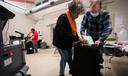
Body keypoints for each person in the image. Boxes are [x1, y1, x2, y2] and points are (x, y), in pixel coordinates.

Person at [53, 1, 84, 76]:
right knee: (65, 58)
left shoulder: (72, 20)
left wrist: (78, 38)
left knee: (69, 57)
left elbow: (74, 32)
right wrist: (78, 39)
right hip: (60, 43)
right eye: (77, 13)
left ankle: (72, 70)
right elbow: (64, 33)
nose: (78, 16)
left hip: (67, 43)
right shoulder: (63, 17)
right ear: (72, 11)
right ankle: (61, 74)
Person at [80, 0, 112, 70]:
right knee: (90, 55)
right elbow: (83, 26)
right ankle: (92, 69)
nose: (92, 9)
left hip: (100, 38)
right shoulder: (87, 14)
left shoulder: (105, 14)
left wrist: (100, 39)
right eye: (91, 6)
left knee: (99, 55)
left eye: (94, 6)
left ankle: (97, 68)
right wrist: (83, 35)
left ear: (100, 7)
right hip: (90, 38)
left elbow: (108, 28)